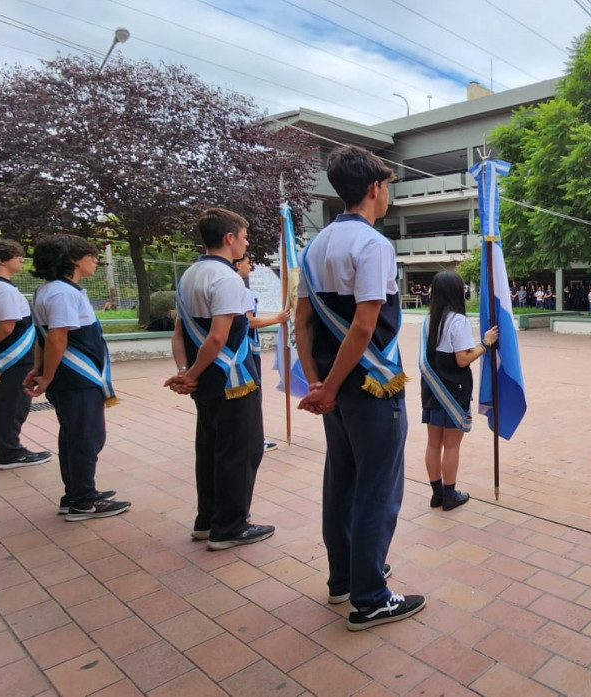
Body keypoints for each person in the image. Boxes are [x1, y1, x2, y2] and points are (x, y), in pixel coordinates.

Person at [294, 145, 425, 631]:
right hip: (370, 385)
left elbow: (302, 324)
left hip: (332, 389)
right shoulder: (373, 245)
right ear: (374, 188)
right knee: (377, 489)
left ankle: (344, 578)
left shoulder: (313, 246)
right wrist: (329, 384)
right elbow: (365, 326)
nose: (387, 194)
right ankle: (370, 597)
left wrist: (316, 381)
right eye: (387, 186)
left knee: (342, 482)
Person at [166, 209, 272, 550]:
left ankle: (207, 520)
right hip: (232, 380)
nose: (246, 242)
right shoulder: (226, 279)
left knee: (210, 450)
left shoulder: (189, 274)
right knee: (240, 452)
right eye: (243, 236)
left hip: (204, 382)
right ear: (229, 238)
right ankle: (230, 526)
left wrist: (186, 373)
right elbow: (217, 337)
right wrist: (192, 373)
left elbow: (180, 333)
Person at [27, 235, 129, 521]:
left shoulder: (50, 290)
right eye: (91, 255)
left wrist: (39, 369)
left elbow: (42, 337)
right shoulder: (62, 293)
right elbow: (57, 338)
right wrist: (45, 376)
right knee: (87, 437)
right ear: (72, 260)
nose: (96, 260)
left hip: (69, 378)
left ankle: (75, 493)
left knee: (73, 435)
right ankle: (83, 501)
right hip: (76, 378)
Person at [420, 271, 497, 513]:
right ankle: (451, 495)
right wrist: (485, 344)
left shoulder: (428, 319)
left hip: (432, 388)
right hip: (453, 389)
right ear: (456, 293)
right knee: (451, 445)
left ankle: (437, 494)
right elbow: (463, 359)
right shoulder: (458, 321)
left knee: (433, 443)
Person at [0, 239, 51, 470]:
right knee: (13, 404)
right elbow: (7, 326)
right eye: (17, 256)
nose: (21, 260)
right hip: (14, 357)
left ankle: (6, 447)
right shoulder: (2, 290)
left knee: (0, 403)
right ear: (1, 260)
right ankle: (11, 452)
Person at [235, 255, 291, 453]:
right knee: (252, 396)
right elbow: (248, 321)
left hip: (236, 350)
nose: (250, 267)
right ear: (237, 264)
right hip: (246, 351)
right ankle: (254, 439)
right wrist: (277, 318)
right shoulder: (243, 291)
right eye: (247, 263)